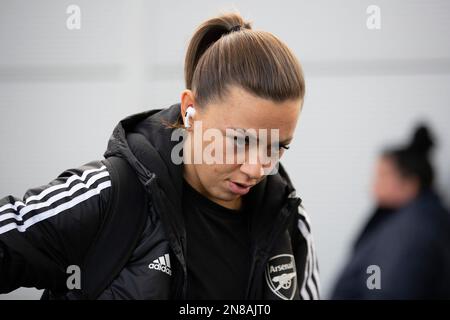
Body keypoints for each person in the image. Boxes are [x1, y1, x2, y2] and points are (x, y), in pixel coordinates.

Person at [0, 12, 319, 300]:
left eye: (277, 147)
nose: (256, 168)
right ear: (189, 109)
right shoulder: (112, 195)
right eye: (239, 140)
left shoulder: (290, 223)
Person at [332, 125, 450, 299]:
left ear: (410, 184)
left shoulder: (409, 232)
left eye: (382, 176)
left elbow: (384, 289)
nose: (373, 186)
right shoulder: (417, 221)